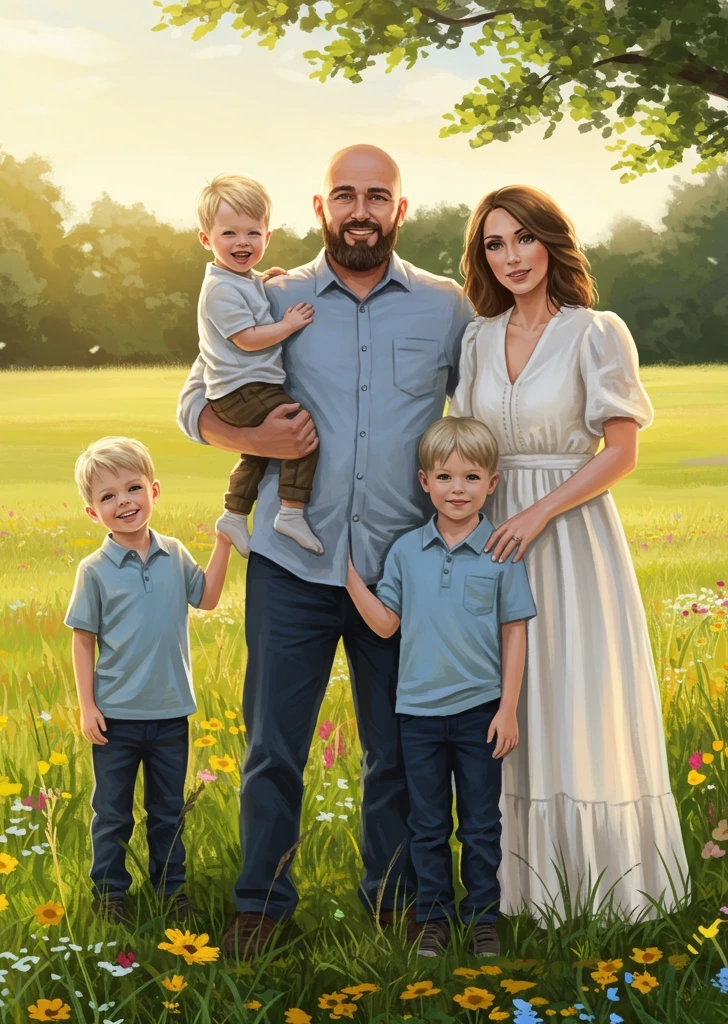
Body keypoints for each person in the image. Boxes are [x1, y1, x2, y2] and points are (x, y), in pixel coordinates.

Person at [176, 145, 474, 957]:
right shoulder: (272, 295)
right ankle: (260, 907)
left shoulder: (446, 308)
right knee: (273, 745)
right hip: (290, 562)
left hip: (397, 570)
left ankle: (395, 905)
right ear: (320, 208)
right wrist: (247, 432)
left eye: (378, 196)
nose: (361, 210)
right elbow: (193, 400)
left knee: (398, 749)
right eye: (346, 195)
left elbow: (488, 406)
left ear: (401, 211)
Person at [451, 185, 690, 922]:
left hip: (574, 533)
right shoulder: (477, 339)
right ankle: (517, 889)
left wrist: (539, 512)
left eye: (523, 238)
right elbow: (462, 443)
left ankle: (603, 885)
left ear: (552, 242)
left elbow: (621, 453)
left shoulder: (596, 331)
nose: (511, 257)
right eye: (495, 244)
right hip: (493, 538)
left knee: (576, 690)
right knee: (507, 702)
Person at [345, 416, 536, 957]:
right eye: (446, 477)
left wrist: (508, 709)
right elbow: (386, 625)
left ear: (492, 484)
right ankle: (432, 918)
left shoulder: (502, 552)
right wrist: (346, 574)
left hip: (481, 714)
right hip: (419, 716)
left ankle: (482, 920)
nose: (458, 489)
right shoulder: (406, 552)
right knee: (426, 825)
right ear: (424, 481)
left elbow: (514, 633)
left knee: (480, 825)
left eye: (472, 478)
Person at [65, 436, 232, 923]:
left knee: (168, 813)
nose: (124, 502)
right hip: (115, 718)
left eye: (133, 488)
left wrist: (223, 543)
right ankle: (110, 894)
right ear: (93, 513)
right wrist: (87, 706)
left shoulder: (175, 554)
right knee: (113, 814)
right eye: (108, 497)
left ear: (154, 491)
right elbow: (82, 640)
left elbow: (208, 599)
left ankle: (170, 891)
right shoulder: (94, 571)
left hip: (169, 715)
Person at [194, 173, 322, 557]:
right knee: (300, 433)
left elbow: (249, 297)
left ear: (268, 236)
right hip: (241, 388)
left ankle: (233, 514)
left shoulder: (240, 280)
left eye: (252, 233)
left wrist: (264, 282)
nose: (242, 243)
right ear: (206, 239)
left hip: (244, 387)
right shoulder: (219, 289)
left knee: (258, 452)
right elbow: (247, 338)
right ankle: (291, 511)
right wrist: (287, 324)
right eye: (229, 234)